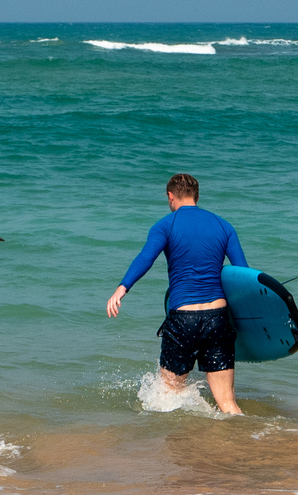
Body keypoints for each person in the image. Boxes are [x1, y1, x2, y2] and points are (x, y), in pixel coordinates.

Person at [106, 173, 247, 414]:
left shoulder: (165, 225)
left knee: (167, 399)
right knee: (227, 402)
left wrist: (122, 288)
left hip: (184, 320)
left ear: (170, 196)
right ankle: (249, 441)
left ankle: (178, 448)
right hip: (217, 319)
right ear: (197, 196)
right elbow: (242, 274)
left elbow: (145, 259)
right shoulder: (224, 226)